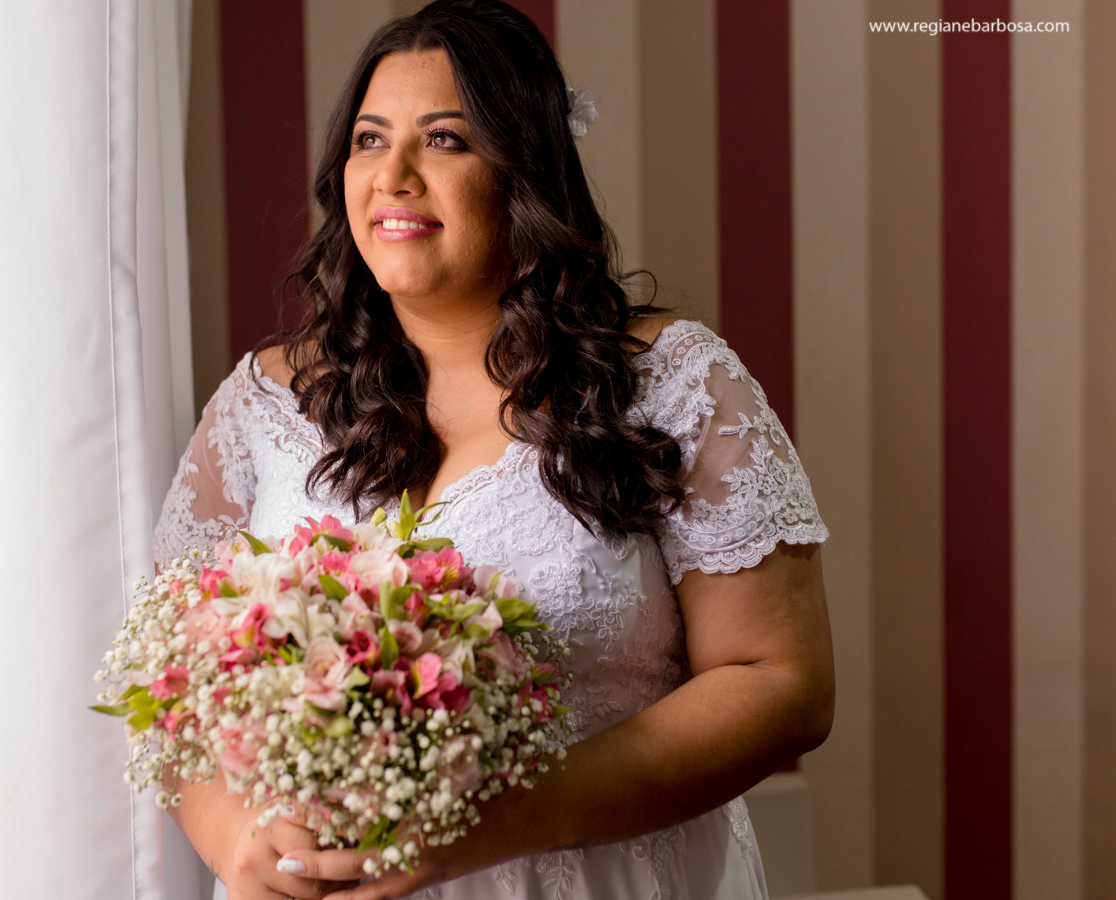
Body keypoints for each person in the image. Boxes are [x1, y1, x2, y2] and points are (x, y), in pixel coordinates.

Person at [153, 1, 834, 897]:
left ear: (526, 173)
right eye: (368, 139)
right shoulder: (261, 406)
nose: (393, 175)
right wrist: (238, 843)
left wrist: (494, 823)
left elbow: (780, 682)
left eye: (444, 140)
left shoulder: (672, 384)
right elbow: (169, 682)